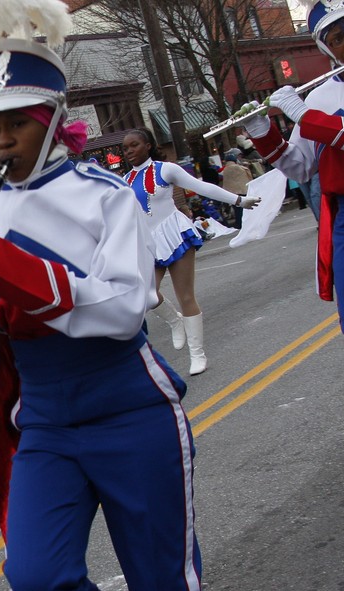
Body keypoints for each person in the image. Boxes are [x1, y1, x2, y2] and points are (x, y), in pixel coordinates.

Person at [0, 0, 213, 591]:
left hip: (129, 406)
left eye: (17, 121)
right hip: (42, 420)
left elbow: (124, 309)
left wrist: (6, 266)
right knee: (37, 581)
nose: (2, 140)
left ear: (49, 118)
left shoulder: (105, 195)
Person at [237, 3, 344, 330]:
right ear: (327, 47)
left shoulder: (308, 108)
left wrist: (304, 116)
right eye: (339, 37)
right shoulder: (318, 97)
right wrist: (261, 132)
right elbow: (300, 168)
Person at [122, 127, 259, 375]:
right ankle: (175, 321)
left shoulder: (166, 169)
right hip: (148, 244)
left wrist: (238, 201)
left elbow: (203, 187)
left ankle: (197, 354)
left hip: (175, 235)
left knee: (186, 296)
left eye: (134, 145)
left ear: (148, 146)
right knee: (146, 295)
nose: (129, 151)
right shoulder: (124, 182)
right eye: (126, 148)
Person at [221, 150, 254, 229]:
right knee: (244, 208)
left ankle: (239, 223)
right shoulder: (240, 168)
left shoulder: (225, 170)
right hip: (242, 190)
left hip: (231, 192)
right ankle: (247, 222)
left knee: (237, 209)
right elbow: (248, 176)